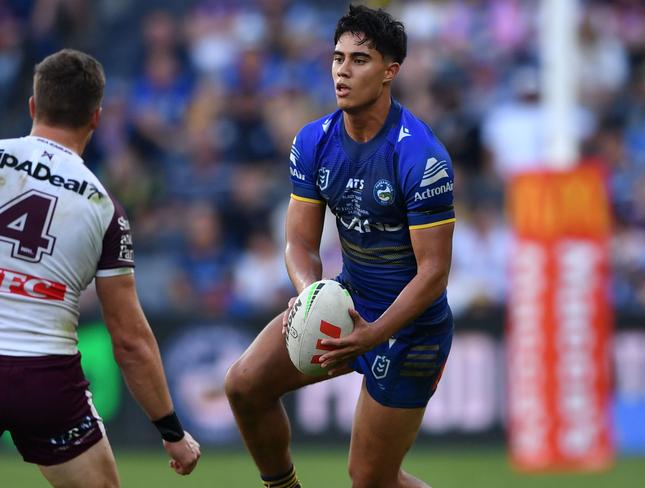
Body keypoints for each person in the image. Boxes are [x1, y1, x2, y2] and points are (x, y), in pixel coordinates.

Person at [226, 6, 455, 488]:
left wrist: (374, 333)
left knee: (372, 480)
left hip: (408, 329)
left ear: (390, 70)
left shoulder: (420, 156)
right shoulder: (313, 141)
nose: (343, 71)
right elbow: (299, 243)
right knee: (244, 386)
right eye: (337, 58)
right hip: (346, 306)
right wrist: (309, 294)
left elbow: (433, 273)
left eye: (360, 60)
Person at [0, 49, 200, 487]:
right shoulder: (104, 208)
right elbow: (129, 340)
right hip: (44, 378)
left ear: (33, 106)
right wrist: (171, 431)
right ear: (96, 118)